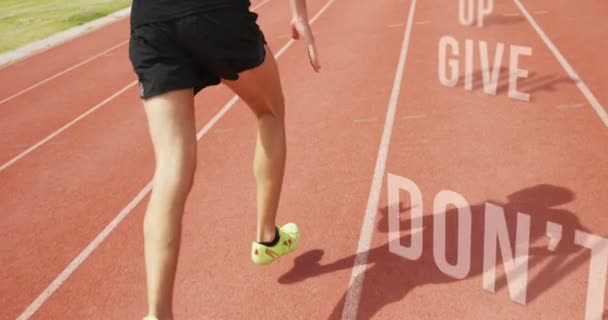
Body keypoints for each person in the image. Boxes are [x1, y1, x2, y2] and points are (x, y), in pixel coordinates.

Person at [127, 0, 321, 319]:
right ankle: (266, 236)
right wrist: (299, 15)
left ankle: (157, 314)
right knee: (270, 112)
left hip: (152, 22)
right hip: (216, 13)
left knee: (172, 165)